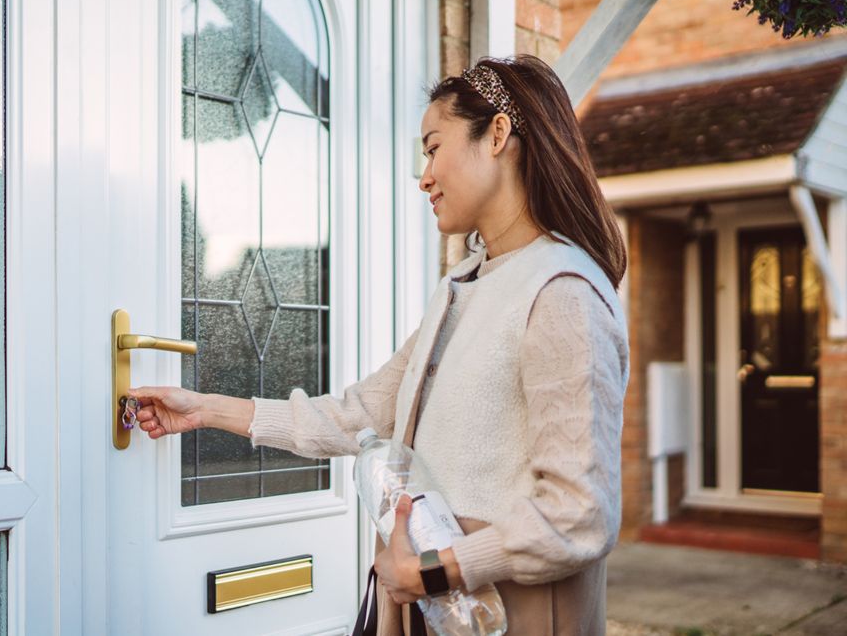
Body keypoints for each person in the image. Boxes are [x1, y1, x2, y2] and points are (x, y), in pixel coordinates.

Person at [129, 54, 629, 636]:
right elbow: (357, 416)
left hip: (506, 614)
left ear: (497, 134)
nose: (425, 176)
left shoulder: (560, 292)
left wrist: (436, 572)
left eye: (433, 147)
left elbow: (579, 515)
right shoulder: (464, 287)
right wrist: (206, 409)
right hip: (434, 606)